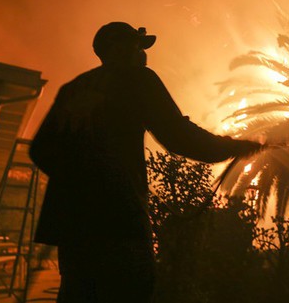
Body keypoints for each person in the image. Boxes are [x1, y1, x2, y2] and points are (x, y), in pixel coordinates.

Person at [29, 22, 263, 303]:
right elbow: (178, 136)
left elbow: (41, 150)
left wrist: (79, 179)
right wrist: (234, 147)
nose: (143, 54)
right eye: (138, 47)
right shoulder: (136, 79)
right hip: (119, 218)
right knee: (130, 289)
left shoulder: (74, 89)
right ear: (120, 48)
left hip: (74, 229)